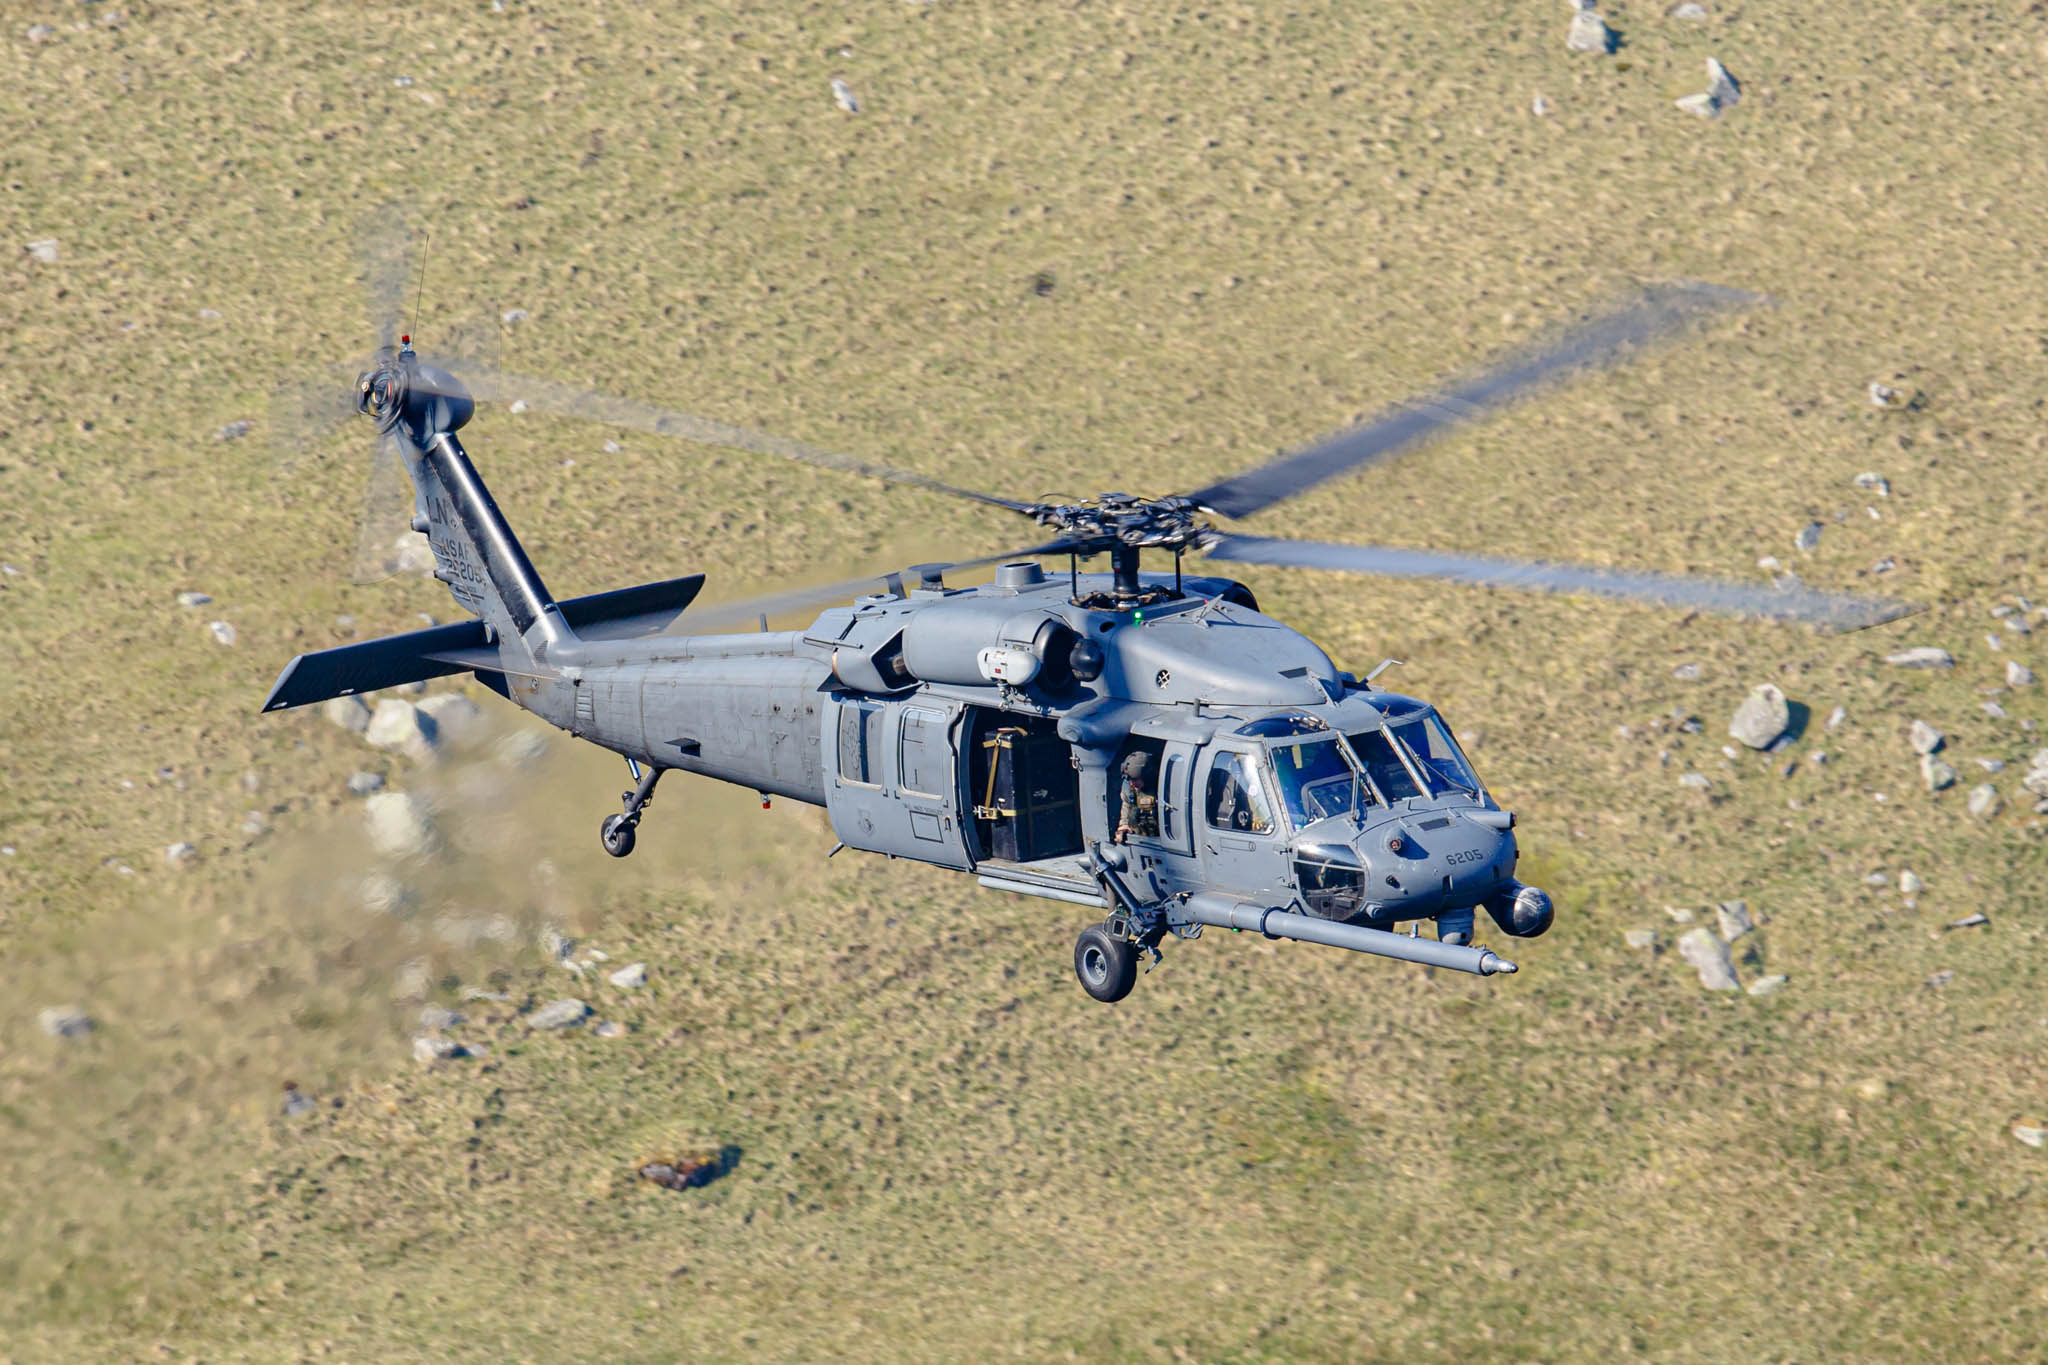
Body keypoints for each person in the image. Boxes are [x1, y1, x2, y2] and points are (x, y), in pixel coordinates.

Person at [1114, 750, 1159, 844]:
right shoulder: (1129, 787)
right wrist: (1124, 824)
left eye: (1135, 780)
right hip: (1139, 838)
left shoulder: (1160, 787)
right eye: (1129, 780)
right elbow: (1127, 804)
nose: (1132, 784)